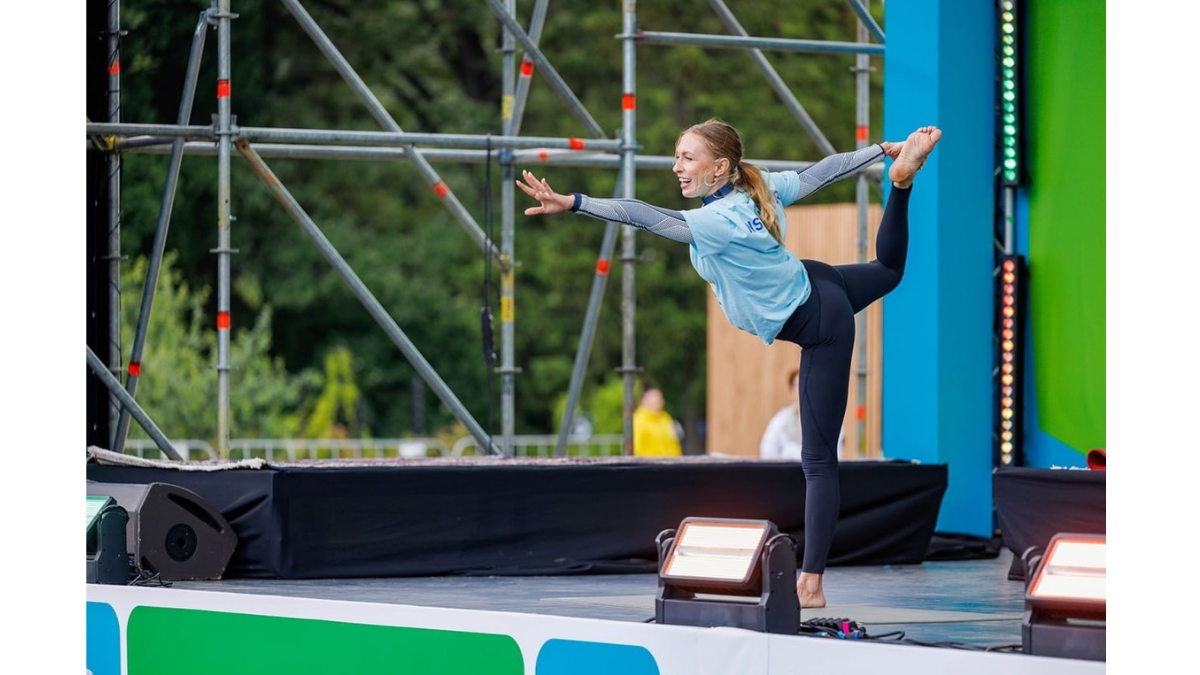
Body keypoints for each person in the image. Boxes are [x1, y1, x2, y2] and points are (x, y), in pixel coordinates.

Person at [517, 118, 941, 609]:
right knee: (888, 270)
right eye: (676, 156)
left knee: (819, 461)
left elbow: (641, 214)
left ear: (719, 167)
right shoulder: (754, 186)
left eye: (687, 158)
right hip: (817, 282)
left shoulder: (715, 221)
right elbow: (819, 173)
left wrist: (575, 202)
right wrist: (880, 151)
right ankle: (902, 183)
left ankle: (811, 583)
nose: (676, 167)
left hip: (822, 324)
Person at [760, 367, 845, 460]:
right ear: (791, 391)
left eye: (808, 385)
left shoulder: (829, 421)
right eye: (798, 385)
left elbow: (836, 455)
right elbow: (767, 453)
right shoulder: (780, 420)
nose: (803, 390)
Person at [632, 383, 683, 457]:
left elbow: (675, 444)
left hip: (670, 462)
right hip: (649, 463)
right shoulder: (638, 420)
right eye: (653, 399)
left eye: (659, 398)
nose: (657, 402)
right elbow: (637, 448)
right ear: (642, 401)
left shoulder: (666, 418)